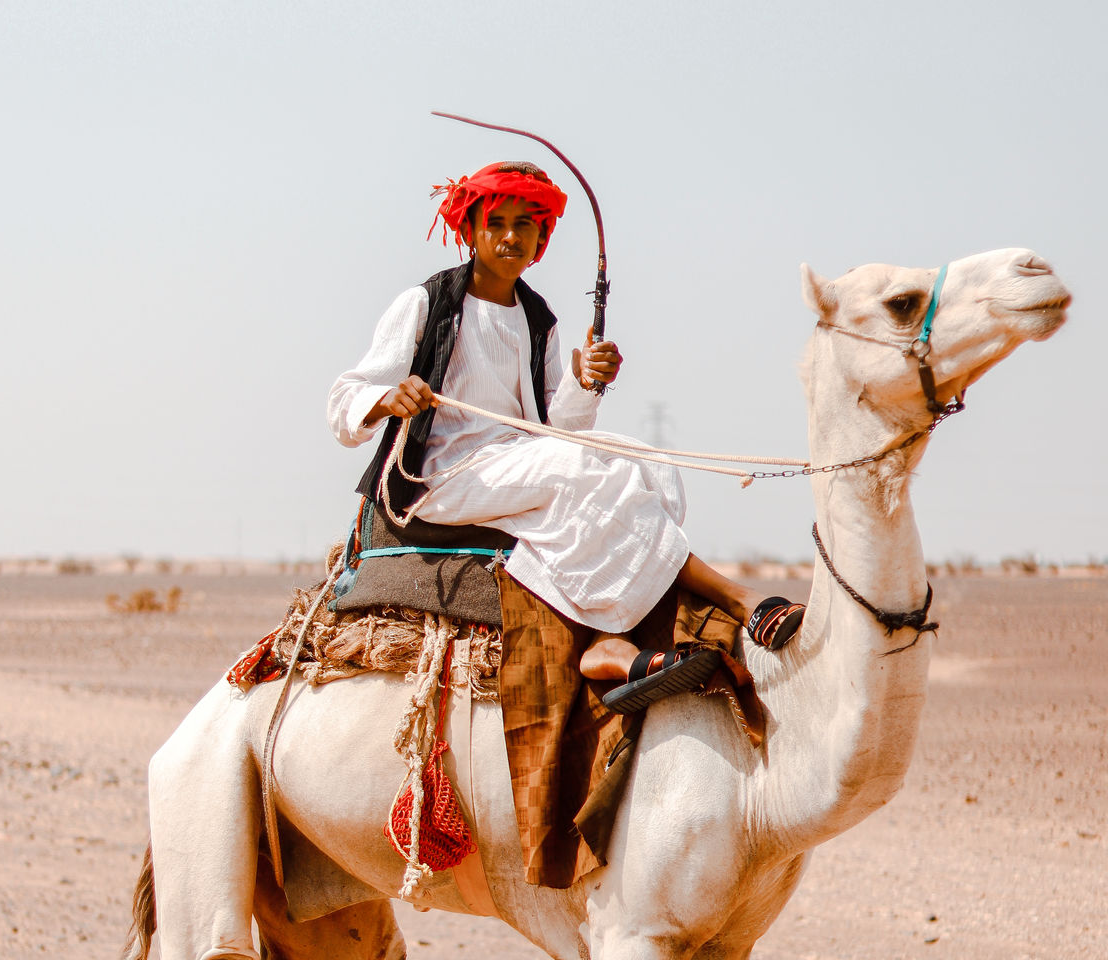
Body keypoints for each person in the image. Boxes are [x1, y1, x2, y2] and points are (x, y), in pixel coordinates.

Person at [327, 161, 802, 713]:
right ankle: (738, 598)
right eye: (496, 222)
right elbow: (344, 401)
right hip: (440, 476)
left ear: (540, 238)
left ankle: (605, 642)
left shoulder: (538, 319)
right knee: (576, 471)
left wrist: (585, 381)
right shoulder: (428, 304)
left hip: (519, 461)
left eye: (524, 225)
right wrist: (388, 398)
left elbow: (560, 430)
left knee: (648, 461)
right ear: (470, 230)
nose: (510, 236)